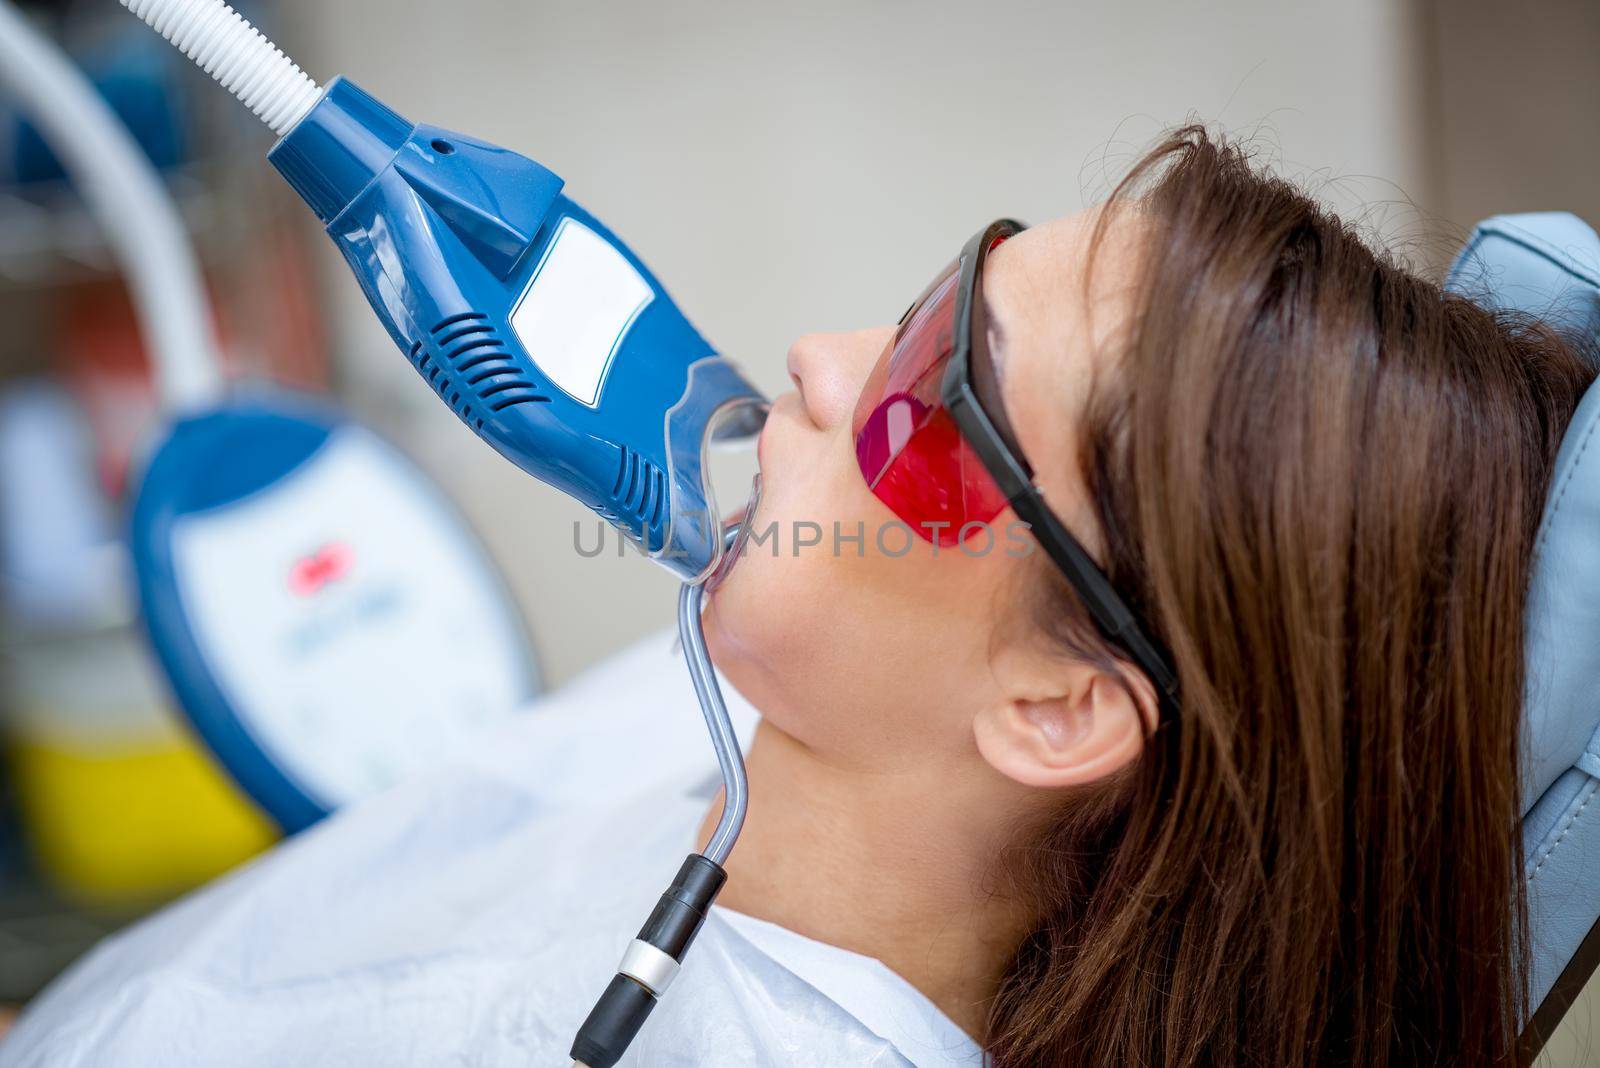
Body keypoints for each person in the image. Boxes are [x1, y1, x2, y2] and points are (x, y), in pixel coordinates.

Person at [5, 126, 1593, 1067]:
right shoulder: (767, 697)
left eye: (927, 399)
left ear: (1055, 708)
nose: (823, 365)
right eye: (920, 307)